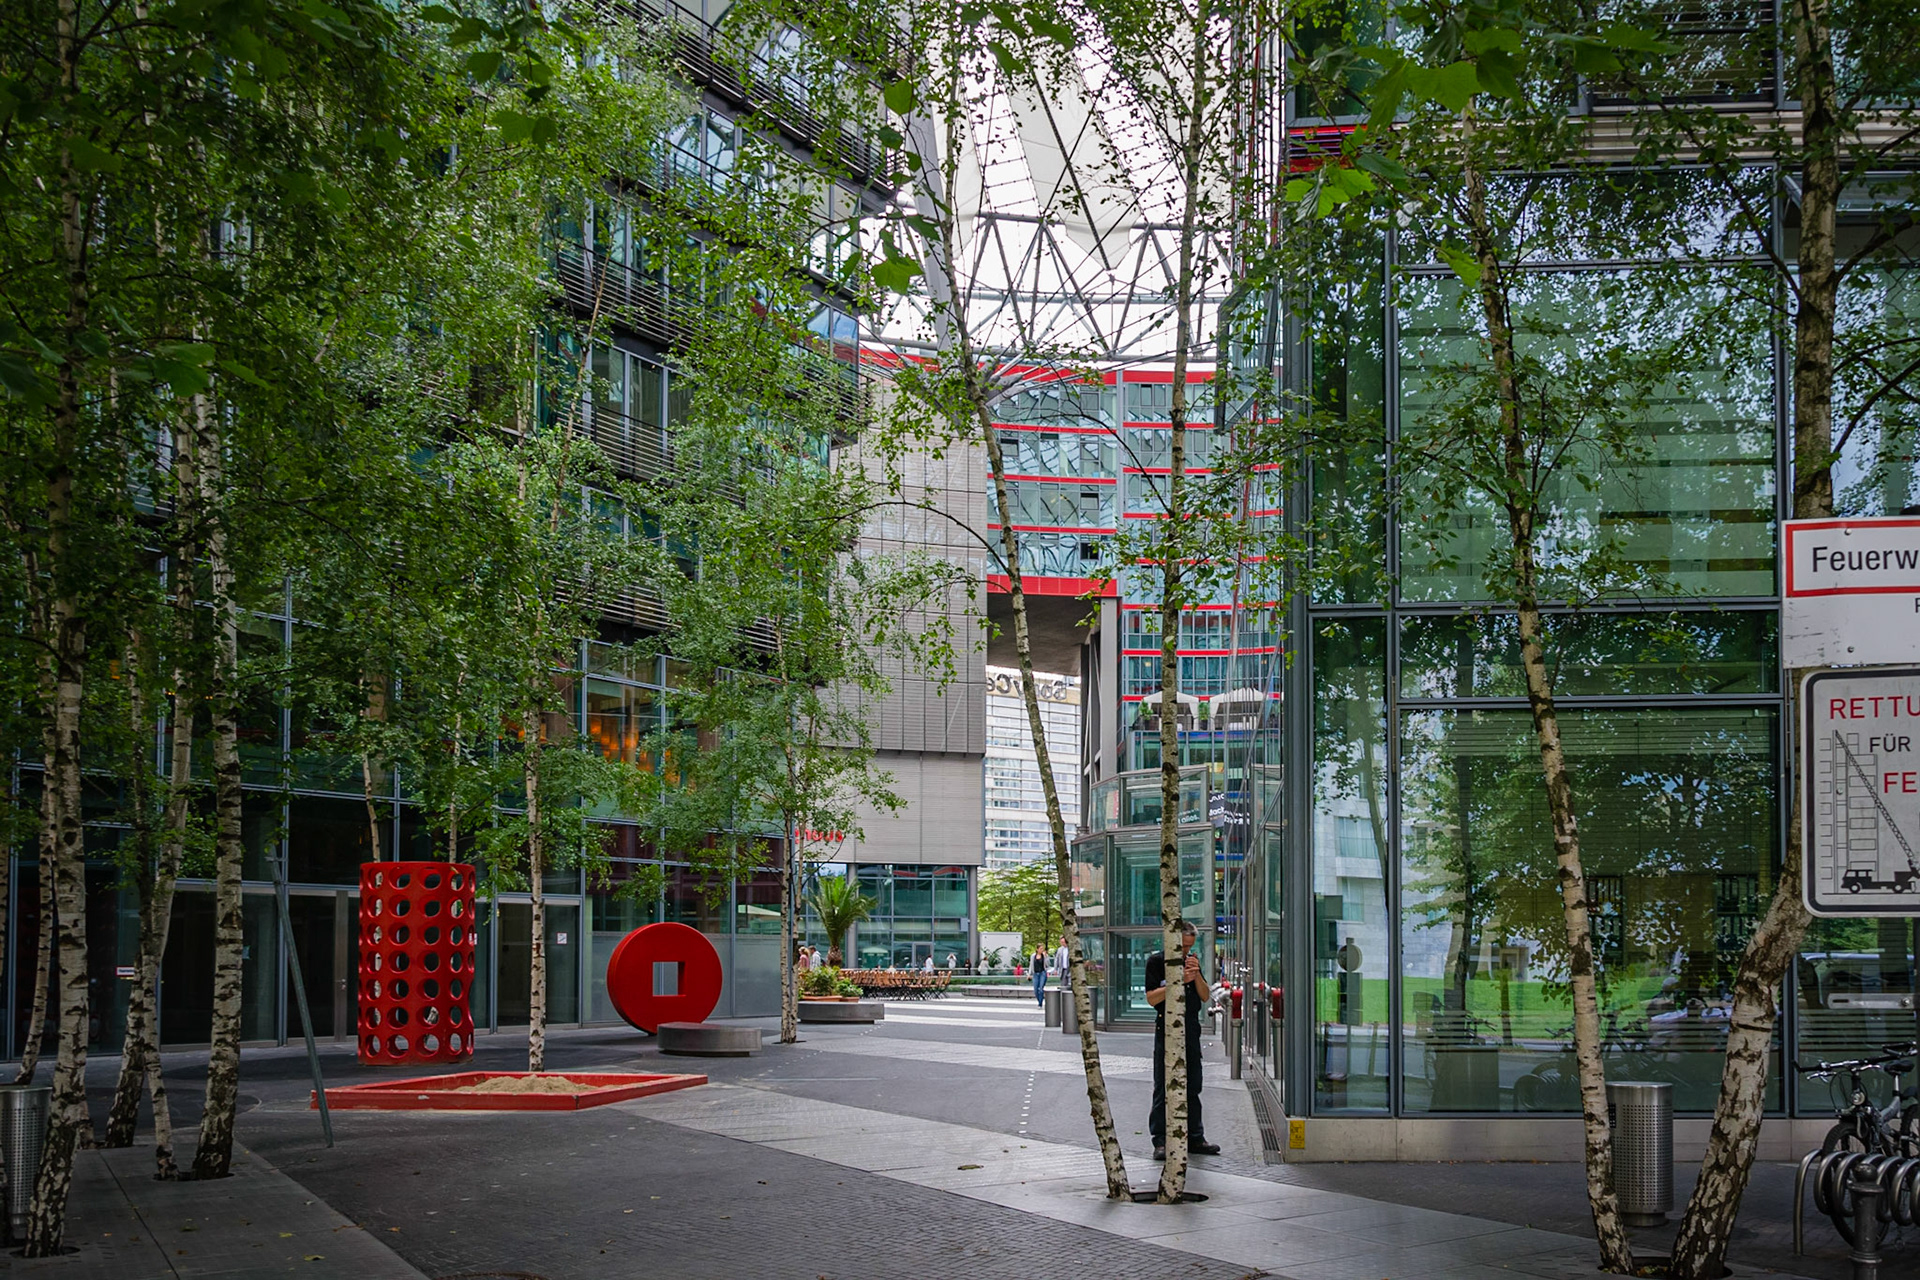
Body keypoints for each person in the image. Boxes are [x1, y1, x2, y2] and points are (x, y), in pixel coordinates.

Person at [1145, 919, 1221, 1161]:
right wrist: (1178, 981)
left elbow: (1205, 996)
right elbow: (1152, 998)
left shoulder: (1192, 961)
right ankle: (1160, 1139)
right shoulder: (1157, 962)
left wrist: (1195, 975)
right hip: (1166, 1028)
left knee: (1193, 1084)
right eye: (1183, 946)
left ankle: (1195, 1137)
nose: (1186, 950)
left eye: (1190, 946)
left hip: (1190, 1028)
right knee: (1163, 1085)